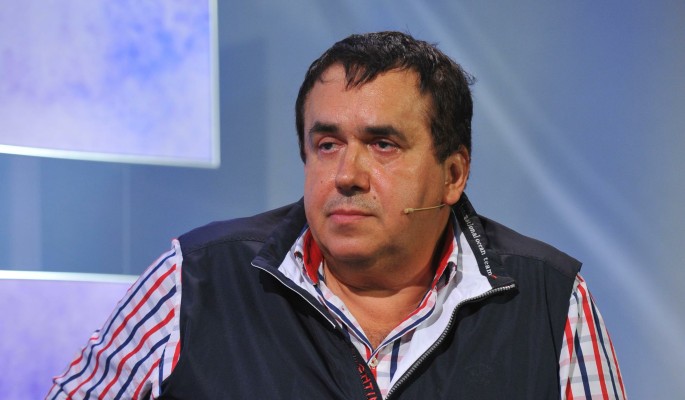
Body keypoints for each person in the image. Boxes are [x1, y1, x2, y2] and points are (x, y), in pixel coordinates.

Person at [48, 31, 625, 399]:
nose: (347, 174)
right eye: (327, 145)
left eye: (382, 145)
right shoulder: (198, 278)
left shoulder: (548, 297)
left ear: (453, 173)